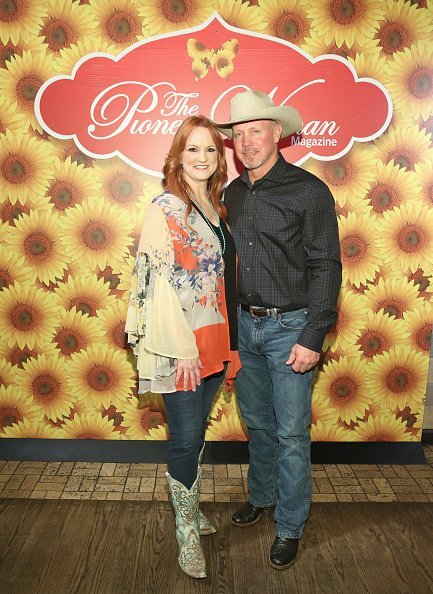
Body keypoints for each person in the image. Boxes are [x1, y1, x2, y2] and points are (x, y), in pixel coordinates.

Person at [213, 90, 342, 570]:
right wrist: (228, 337)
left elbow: (327, 266)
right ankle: (262, 497)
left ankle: (290, 525)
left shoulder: (308, 191)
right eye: (239, 134)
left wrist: (312, 337)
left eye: (255, 131)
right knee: (260, 425)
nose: (247, 142)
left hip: (292, 328)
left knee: (291, 433)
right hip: (246, 327)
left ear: (276, 133)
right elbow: (227, 267)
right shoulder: (233, 193)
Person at [125, 115, 238, 579]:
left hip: (215, 337)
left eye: (211, 150)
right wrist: (184, 350)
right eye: (193, 149)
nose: (203, 158)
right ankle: (185, 533)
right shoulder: (166, 209)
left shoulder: (215, 206)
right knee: (186, 438)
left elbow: (217, 281)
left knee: (196, 436)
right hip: (182, 347)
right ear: (177, 156)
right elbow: (156, 288)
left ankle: (193, 513)